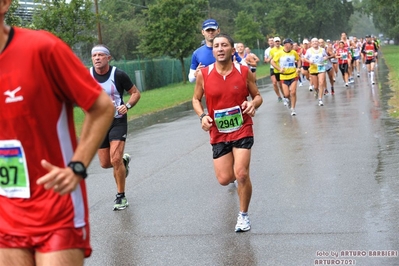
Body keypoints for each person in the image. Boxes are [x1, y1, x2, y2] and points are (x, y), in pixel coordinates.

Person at [0, 0, 115, 265]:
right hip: (6, 212)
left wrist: (77, 166)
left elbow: (100, 107)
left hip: (55, 206)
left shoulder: (41, 48)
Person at [192, 33, 263, 232]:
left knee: (241, 174)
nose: (220, 48)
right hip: (218, 132)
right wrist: (202, 116)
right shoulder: (203, 74)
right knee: (224, 179)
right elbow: (196, 99)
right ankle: (238, 179)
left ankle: (243, 216)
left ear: (232, 50)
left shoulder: (243, 71)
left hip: (242, 128)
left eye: (224, 45)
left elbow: (257, 96)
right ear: (212, 51)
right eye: (216, 46)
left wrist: (252, 103)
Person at [91, 44, 141, 211]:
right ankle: (124, 163)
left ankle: (121, 196)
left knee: (115, 159)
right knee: (106, 164)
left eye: (100, 55)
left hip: (117, 120)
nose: (97, 58)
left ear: (108, 57)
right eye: (94, 55)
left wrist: (127, 106)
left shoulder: (118, 74)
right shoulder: (86, 75)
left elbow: (135, 93)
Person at [271, 38, 301, 116]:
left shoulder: (294, 52)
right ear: (286, 45)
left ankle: (293, 109)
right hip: (284, 76)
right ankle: (289, 101)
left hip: (293, 75)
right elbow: (272, 62)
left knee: (293, 92)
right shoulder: (279, 53)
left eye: (292, 44)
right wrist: (279, 69)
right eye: (291, 44)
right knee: (287, 94)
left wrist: (298, 68)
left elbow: (299, 60)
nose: (292, 45)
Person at [304, 38, 329, 106]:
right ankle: (316, 91)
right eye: (313, 42)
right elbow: (305, 58)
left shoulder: (322, 49)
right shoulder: (309, 50)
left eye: (316, 41)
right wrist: (309, 61)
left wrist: (325, 59)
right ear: (311, 43)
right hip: (313, 69)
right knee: (316, 86)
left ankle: (320, 99)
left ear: (318, 43)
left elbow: (326, 56)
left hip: (321, 67)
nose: (315, 43)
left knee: (321, 82)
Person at [264, 36, 283, 101]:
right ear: (268, 42)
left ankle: (284, 95)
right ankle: (279, 96)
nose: (271, 42)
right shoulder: (268, 50)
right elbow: (267, 59)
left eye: (272, 40)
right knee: (274, 83)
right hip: (273, 68)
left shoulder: (282, 48)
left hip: (281, 68)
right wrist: (266, 60)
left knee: (280, 84)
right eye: (270, 41)